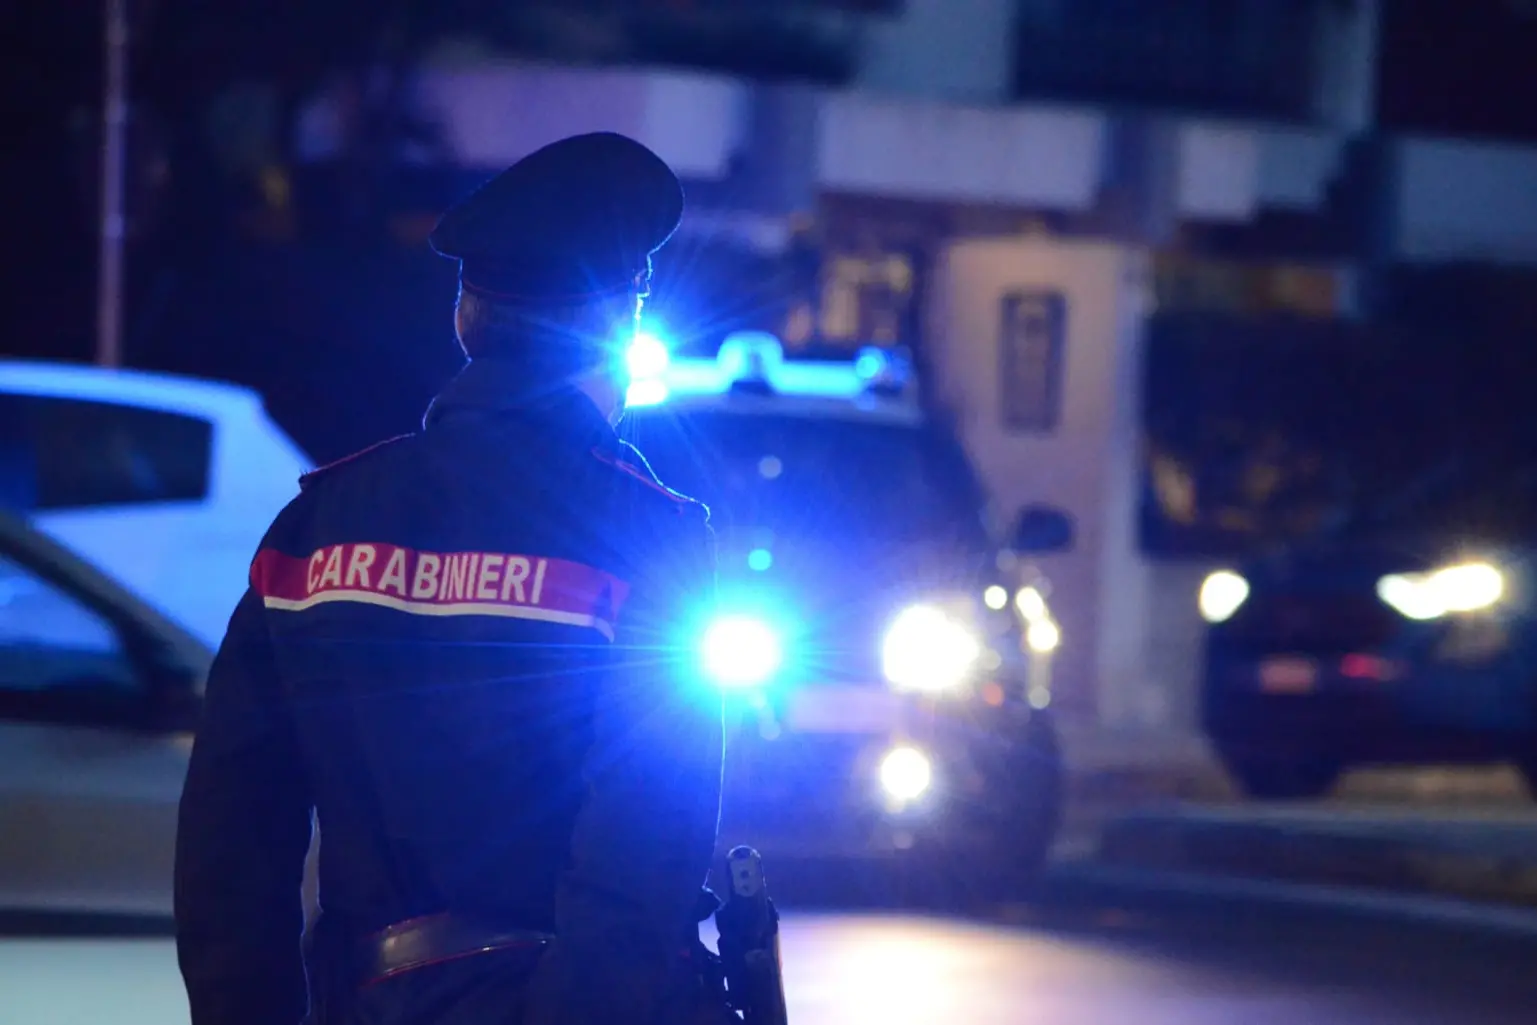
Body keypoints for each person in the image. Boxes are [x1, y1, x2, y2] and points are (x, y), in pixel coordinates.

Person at [174, 131, 726, 1025]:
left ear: (466, 315)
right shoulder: (648, 536)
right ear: (622, 320)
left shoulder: (317, 527)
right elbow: (641, 853)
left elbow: (229, 843)